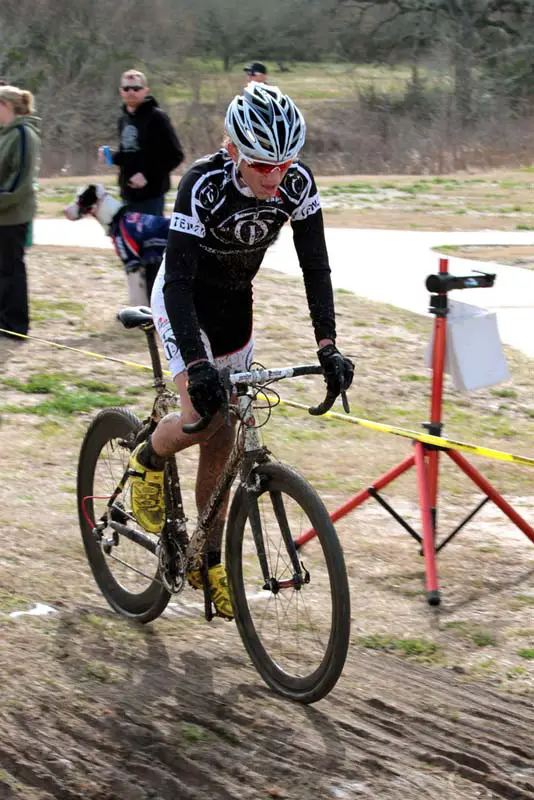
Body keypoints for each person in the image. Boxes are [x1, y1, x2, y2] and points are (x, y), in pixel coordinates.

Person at [128, 82, 354, 620]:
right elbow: (178, 281)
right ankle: (148, 458)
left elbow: (315, 265)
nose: (274, 177)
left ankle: (207, 556)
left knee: (226, 436)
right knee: (201, 417)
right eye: (260, 165)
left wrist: (328, 345)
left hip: (235, 306)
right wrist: (199, 364)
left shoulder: (295, 182)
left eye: (284, 163)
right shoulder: (202, 185)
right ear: (233, 151)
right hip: (184, 300)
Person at [99, 69, 184, 216]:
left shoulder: (157, 118)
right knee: (127, 239)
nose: (131, 92)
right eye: (126, 88)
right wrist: (111, 156)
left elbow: (176, 155)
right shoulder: (123, 119)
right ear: (121, 91)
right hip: (127, 194)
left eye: (136, 88)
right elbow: (130, 153)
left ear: (145, 91)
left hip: (151, 197)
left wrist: (147, 176)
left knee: (148, 240)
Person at [0, 85, 40, 340]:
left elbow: (19, 183)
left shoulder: (24, 134)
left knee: (11, 271)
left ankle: (15, 327)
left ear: (7, 106)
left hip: (13, 217)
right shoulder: (4, 134)